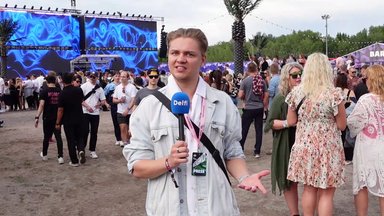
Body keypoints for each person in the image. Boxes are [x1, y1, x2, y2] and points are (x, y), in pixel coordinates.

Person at [123, 28, 270, 215]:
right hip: (169, 208)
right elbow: (137, 166)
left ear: (203, 59)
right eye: (175, 53)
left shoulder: (222, 102)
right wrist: (168, 161)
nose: (180, 59)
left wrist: (244, 177)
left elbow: (232, 152)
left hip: (216, 206)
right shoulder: (149, 106)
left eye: (189, 54)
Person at [286, 52, 346, 216]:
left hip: (304, 147)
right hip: (328, 148)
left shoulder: (297, 93)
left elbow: (291, 121)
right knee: (326, 192)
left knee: (308, 188)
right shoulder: (334, 94)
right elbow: (341, 125)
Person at [264, 62, 303, 216]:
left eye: (301, 74)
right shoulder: (281, 98)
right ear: (287, 78)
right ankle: (295, 214)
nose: (299, 78)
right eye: (295, 75)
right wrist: (288, 123)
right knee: (290, 182)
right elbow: (270, 123)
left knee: (310, 182)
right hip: (287, 143)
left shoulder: (308, 95)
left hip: (306, 143)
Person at [347, 64, 384, 216]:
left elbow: (353, 123)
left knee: (362, 185)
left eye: (366, 78)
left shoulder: (366, 99)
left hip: (368, 147)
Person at [238, 62, 269, 158]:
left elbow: (240, 95)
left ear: (247, 70)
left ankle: (240, 148)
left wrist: (245, 97)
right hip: (259, 107)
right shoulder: (261, 80)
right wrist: (263, 103)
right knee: (258, 129)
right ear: (256, 69)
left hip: (248, 108)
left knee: (244, 129)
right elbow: (267, 93)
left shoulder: (245, 81)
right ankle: (257, 151)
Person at [56, 73, 86, 167]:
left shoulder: (62, 94)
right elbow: (81, 101)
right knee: (80, 137)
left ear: (63, 81)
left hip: (68, 119)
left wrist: (58, 122)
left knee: (71, 140)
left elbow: (60, 110)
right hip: (80, 117)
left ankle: (74, 161)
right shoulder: (79, 90)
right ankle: (81, 150)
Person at [34, 72, 64, 164]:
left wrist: (37, 117)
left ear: (47, 81)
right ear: (55, 81)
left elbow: (41, 105)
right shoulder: (60, 91)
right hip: (58, 117)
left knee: (46, 137)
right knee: (58, 137)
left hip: (47, 117)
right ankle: (60, 157)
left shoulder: (44, 91)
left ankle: (45, 155)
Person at [81, 72, 106, 159]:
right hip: (85, 112)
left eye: (94, 77)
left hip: (95, 113)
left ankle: (92, 150)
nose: (92, 78)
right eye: (91, 76)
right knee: (85, 131)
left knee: (94, 132)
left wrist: (99, 104)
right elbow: (80, 99)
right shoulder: (84, 86)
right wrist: (87, 107)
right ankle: (82, 149)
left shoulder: (99, 89)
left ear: (97, 77)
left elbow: (103, 100)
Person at [335, 73, 357, 165]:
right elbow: (355, 106)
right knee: (347, 139)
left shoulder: (334, 91)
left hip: (336, 118)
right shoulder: (350, 92)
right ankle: (347, 158)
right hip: (347, 118)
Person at [113, 71, 137, 147]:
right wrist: (119, 100)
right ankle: (125, 143)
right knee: (123, 128)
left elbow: (134, 99)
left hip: (130, 112)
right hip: (120, 111)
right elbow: (114, 100)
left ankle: (129, 141)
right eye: (121, 76)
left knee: (130, 129)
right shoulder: (117, 87)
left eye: (124, 76)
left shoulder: (132, 87)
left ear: (127, 78)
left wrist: (128, 109)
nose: (122, 78)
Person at [104, 71, 123, 146]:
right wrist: (106, 103)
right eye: (116, 76)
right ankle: (118, 138)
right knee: (115, 122)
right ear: (113, 77)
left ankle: (122, 138)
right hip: (114, 106)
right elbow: (103, 94)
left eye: (119, 76)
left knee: (122, 123)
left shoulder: (123, 85)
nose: (118, 77)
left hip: (122, 105)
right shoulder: (109, 86)